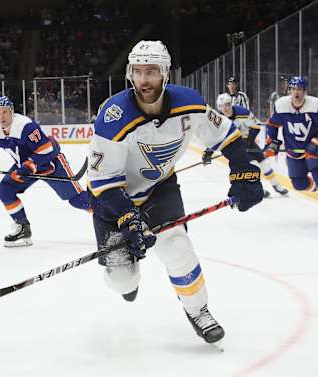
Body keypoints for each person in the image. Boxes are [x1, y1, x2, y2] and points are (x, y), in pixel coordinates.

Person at [87, 40, 263, 347]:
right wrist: (129, 218)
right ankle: (128, 277)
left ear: (165, 74)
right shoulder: (114, 116)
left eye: (152, 71)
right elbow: (103, 183)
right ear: (131, 74)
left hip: (159, 190)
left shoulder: (189, 103)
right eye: (138, 72)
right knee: (122, 281)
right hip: (114, 201)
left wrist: (243, 169)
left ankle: (199, 311)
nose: (144, 80)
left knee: (177, 249)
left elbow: (226, 134)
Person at [0, 96, 90, 247]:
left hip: (50, 164)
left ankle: (111, 215)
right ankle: (23, 228)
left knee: (78, 200)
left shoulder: (26, 126)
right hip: (25, 168)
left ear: (12, 112)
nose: (2, 116)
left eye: (5, 112)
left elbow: (46, 149)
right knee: (5, 190)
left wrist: (30, 165)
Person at [265, 76, 318, 220]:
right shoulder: (281, 105)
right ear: (289, 91)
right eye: (293, 89)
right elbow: (272, 124)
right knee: (299, 185)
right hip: (293, 152)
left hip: (313, 150)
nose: (296, 93)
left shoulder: (315, 105)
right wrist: (272, 141)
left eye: (299, 89)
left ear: (305, 91)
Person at [203, 93, 288, 197]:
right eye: (221, 106)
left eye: (227, 104)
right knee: (251, 166)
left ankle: (276, 185)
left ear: (231, 104)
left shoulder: (242, 112)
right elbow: (215, 137)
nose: (225, 108)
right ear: (218, 107)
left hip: (248, 141)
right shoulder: (218, 120)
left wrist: (248, 142)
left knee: (265, 163)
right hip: (233, 146)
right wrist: (208, 151)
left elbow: (256, 126)